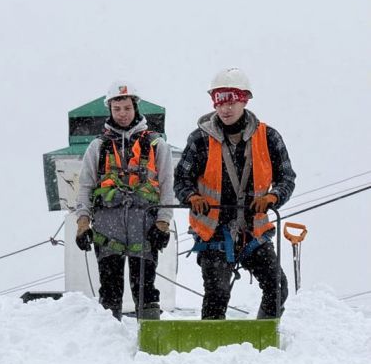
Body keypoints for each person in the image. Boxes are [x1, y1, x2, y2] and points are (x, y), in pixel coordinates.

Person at [174, 67, 296, 320]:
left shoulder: (269, 137)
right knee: (217, 293)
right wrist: (191, 197)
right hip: (213, 232)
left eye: (231, 100)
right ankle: (210, 348)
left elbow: (287, 178)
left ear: (244, 99)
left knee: (277, 287)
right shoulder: (200, 140)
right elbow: (181, 180)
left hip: (254, 231)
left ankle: (265, 335)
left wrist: (273, 198)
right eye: (219, 100)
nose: (225, 108)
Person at [73, 81, 175, 320]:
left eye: (126, 108)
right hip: (107, 228)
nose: (122, 114)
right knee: (109, 291)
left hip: (145, 226)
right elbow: (86, 186)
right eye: (117, 108)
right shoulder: (97, 147)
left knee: (146, 290)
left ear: (135, 107)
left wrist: (163, 223)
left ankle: (151, 343)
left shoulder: (157, 145)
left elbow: (167, 187)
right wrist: (82, 224)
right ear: (109, 109)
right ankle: (109, 345)